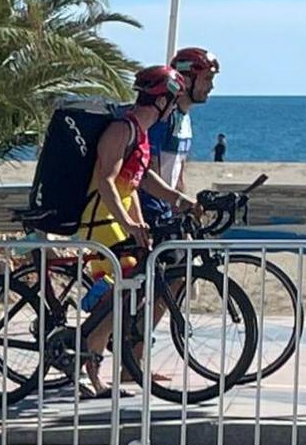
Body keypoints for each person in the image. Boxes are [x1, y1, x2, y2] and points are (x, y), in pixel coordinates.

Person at [77, 65, 197, 396]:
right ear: (160, 101)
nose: (174, 108)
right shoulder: (121, 129)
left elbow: (137, 182)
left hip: (117, 218)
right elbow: (106, 180)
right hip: (99, 219)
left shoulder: (140, 133)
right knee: (124, 283)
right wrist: (128, 223)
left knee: (133, 286)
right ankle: (88, 362)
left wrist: (174, 202)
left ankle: (94, 353)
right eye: (172, 101)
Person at [139, 47, 220, 232]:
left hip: (167, 211)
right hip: (147, 215)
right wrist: (178, 201)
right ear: (187, 79)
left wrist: (184, 210)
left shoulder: (185, 118)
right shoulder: (163, 118)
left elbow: (178, 175)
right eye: (207, 79)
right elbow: (146, 173)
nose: (211, 87)